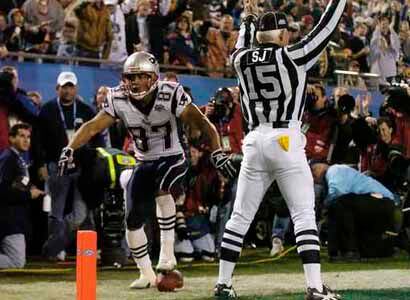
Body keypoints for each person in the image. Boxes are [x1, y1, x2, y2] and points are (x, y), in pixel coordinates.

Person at [57, 51, 236, 289]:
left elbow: (203, 123)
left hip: (173, 157)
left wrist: (216, 152)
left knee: (162, 188)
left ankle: (167, 255)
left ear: (153, 78)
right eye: (131, 77)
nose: (135, 82)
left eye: (141, 76)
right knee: (131, 218)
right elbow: (92, 127)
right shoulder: (117, 97)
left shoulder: (170, 93)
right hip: (143, 161)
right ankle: (146, 274)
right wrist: (70, 148)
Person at [214, 0, 346, 299]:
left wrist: (248, 18)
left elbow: (243, 43)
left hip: (254, 140)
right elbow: (325, 29)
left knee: (240, 216)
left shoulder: (241, 59)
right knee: (303, 214)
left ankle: (223, 284)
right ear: (284, 35)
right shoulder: (293, 55)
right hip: (286, 138)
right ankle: (314, 286)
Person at [0, 123, 45, 268]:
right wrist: (28, 194)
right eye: (21, 136)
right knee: (16, 262)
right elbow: (2, 191)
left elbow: (17, 184)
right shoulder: (8, 159)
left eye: (28, 137)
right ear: (11, 139)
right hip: (9, 220)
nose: (26, 140)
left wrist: (31, 188)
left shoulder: (17, 158)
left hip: (15, 219)